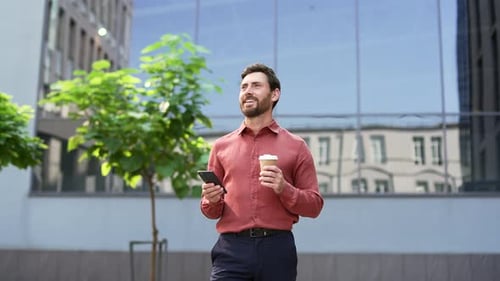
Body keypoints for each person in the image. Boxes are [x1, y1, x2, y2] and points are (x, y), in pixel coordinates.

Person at [200, 63, 324, 281]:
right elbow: (211, 211)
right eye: (243, 87)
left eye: (256, 86)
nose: (247, 91)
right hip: (231, 250)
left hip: (276, 249)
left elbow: (314, 206)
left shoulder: (296, 146)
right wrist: (211, 200)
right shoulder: (221, 146)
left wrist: (284, 189)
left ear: (275, 94)